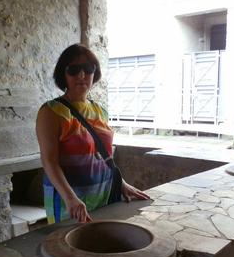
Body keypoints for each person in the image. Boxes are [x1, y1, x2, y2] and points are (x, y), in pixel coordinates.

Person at [36, 44, 149, 224]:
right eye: (73, 70)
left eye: (87, 69)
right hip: (71, 202)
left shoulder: (99, 110)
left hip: (105, 194)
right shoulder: (51, 112)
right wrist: (70, 198)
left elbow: (103, 155)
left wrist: (121, 184)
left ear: (94, 73)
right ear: (63, 74)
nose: (81, 75)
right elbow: (49, 161)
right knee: (70, 248)